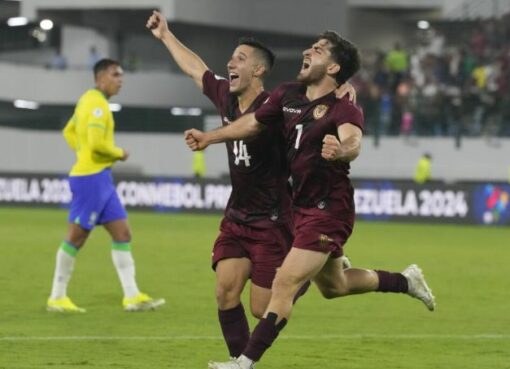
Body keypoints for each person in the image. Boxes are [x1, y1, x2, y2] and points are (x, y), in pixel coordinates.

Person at [185, 31, 436, 369]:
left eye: (317, 50)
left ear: (333, 67)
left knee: (284, 285)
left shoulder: (344, 107)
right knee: (335, 286)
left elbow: (354, 142)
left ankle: (243, 363)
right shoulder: (288, 94)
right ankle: (406, 281)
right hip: (300, 207)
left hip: (329, 210)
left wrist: (340, 151)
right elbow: (251, 125)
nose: (307, 51)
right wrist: (210, 138)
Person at [146, 11, 354, 359]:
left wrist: (343, 98)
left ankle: (314, 268)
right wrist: (166, 35)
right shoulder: (226, 96)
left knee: (262, 307)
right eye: (231, 58)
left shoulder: (275, 109)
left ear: (258, 70)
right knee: (225, 291)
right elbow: (196, 69)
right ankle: (239, 363)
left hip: (274, 220)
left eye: (240, 58)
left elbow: (310, 108)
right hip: (238, 216)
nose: (230, 63)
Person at [47, 59, 165, 313]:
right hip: (91, 178)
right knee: (76, 237)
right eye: (115, 74)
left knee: (122, 233)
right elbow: (97, 144)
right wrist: (119, 152)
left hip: (99, 177)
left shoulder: (85, 100)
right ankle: (57, 297)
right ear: (100, 78)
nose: (120, 79)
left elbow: (69, 132)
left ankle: (132, 296)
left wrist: (83, 154)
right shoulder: (98, 106)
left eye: (122, 75)